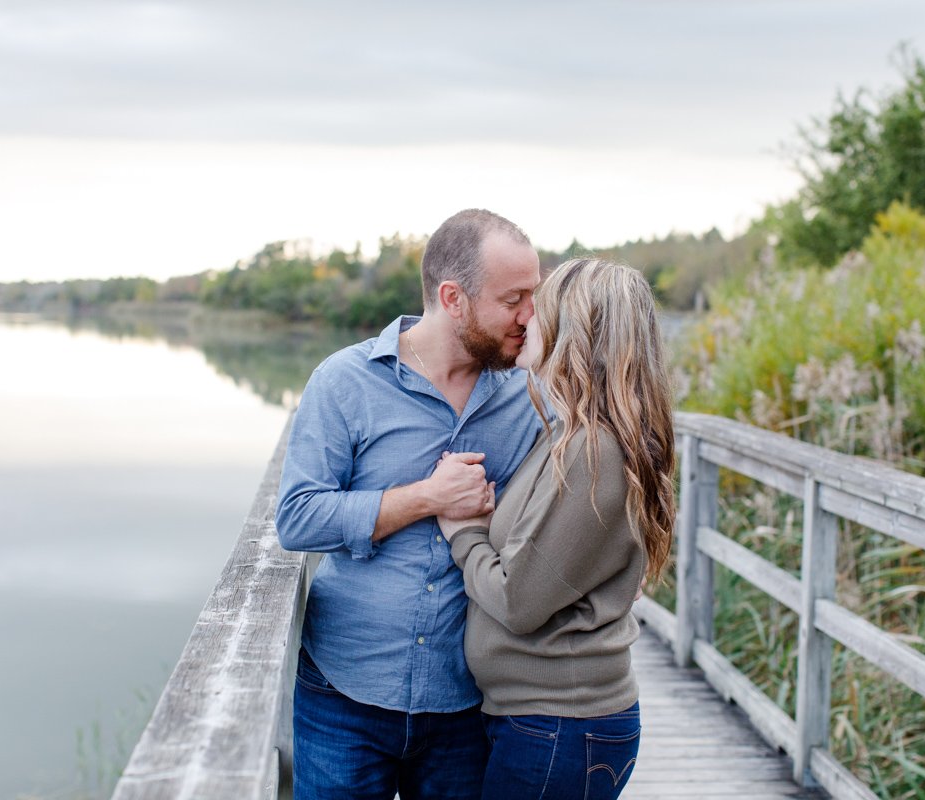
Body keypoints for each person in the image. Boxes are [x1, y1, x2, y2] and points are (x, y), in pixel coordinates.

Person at [275, 209, 544, 800]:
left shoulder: (529, 398)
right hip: (344, 694)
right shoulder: (345, 382)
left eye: (535, 296)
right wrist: (428, 497)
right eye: (514, 299)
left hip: (466, 702)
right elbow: (297, 516)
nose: (530, 316)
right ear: (454, 298)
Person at [436, 257, 677, 800]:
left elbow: (519, 600)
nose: (524, 319)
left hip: (559, 726)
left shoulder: (591, 451)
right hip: (547, 723)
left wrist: (463, 530)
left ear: (575, 328)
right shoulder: (574, 435)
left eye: (537, 310)